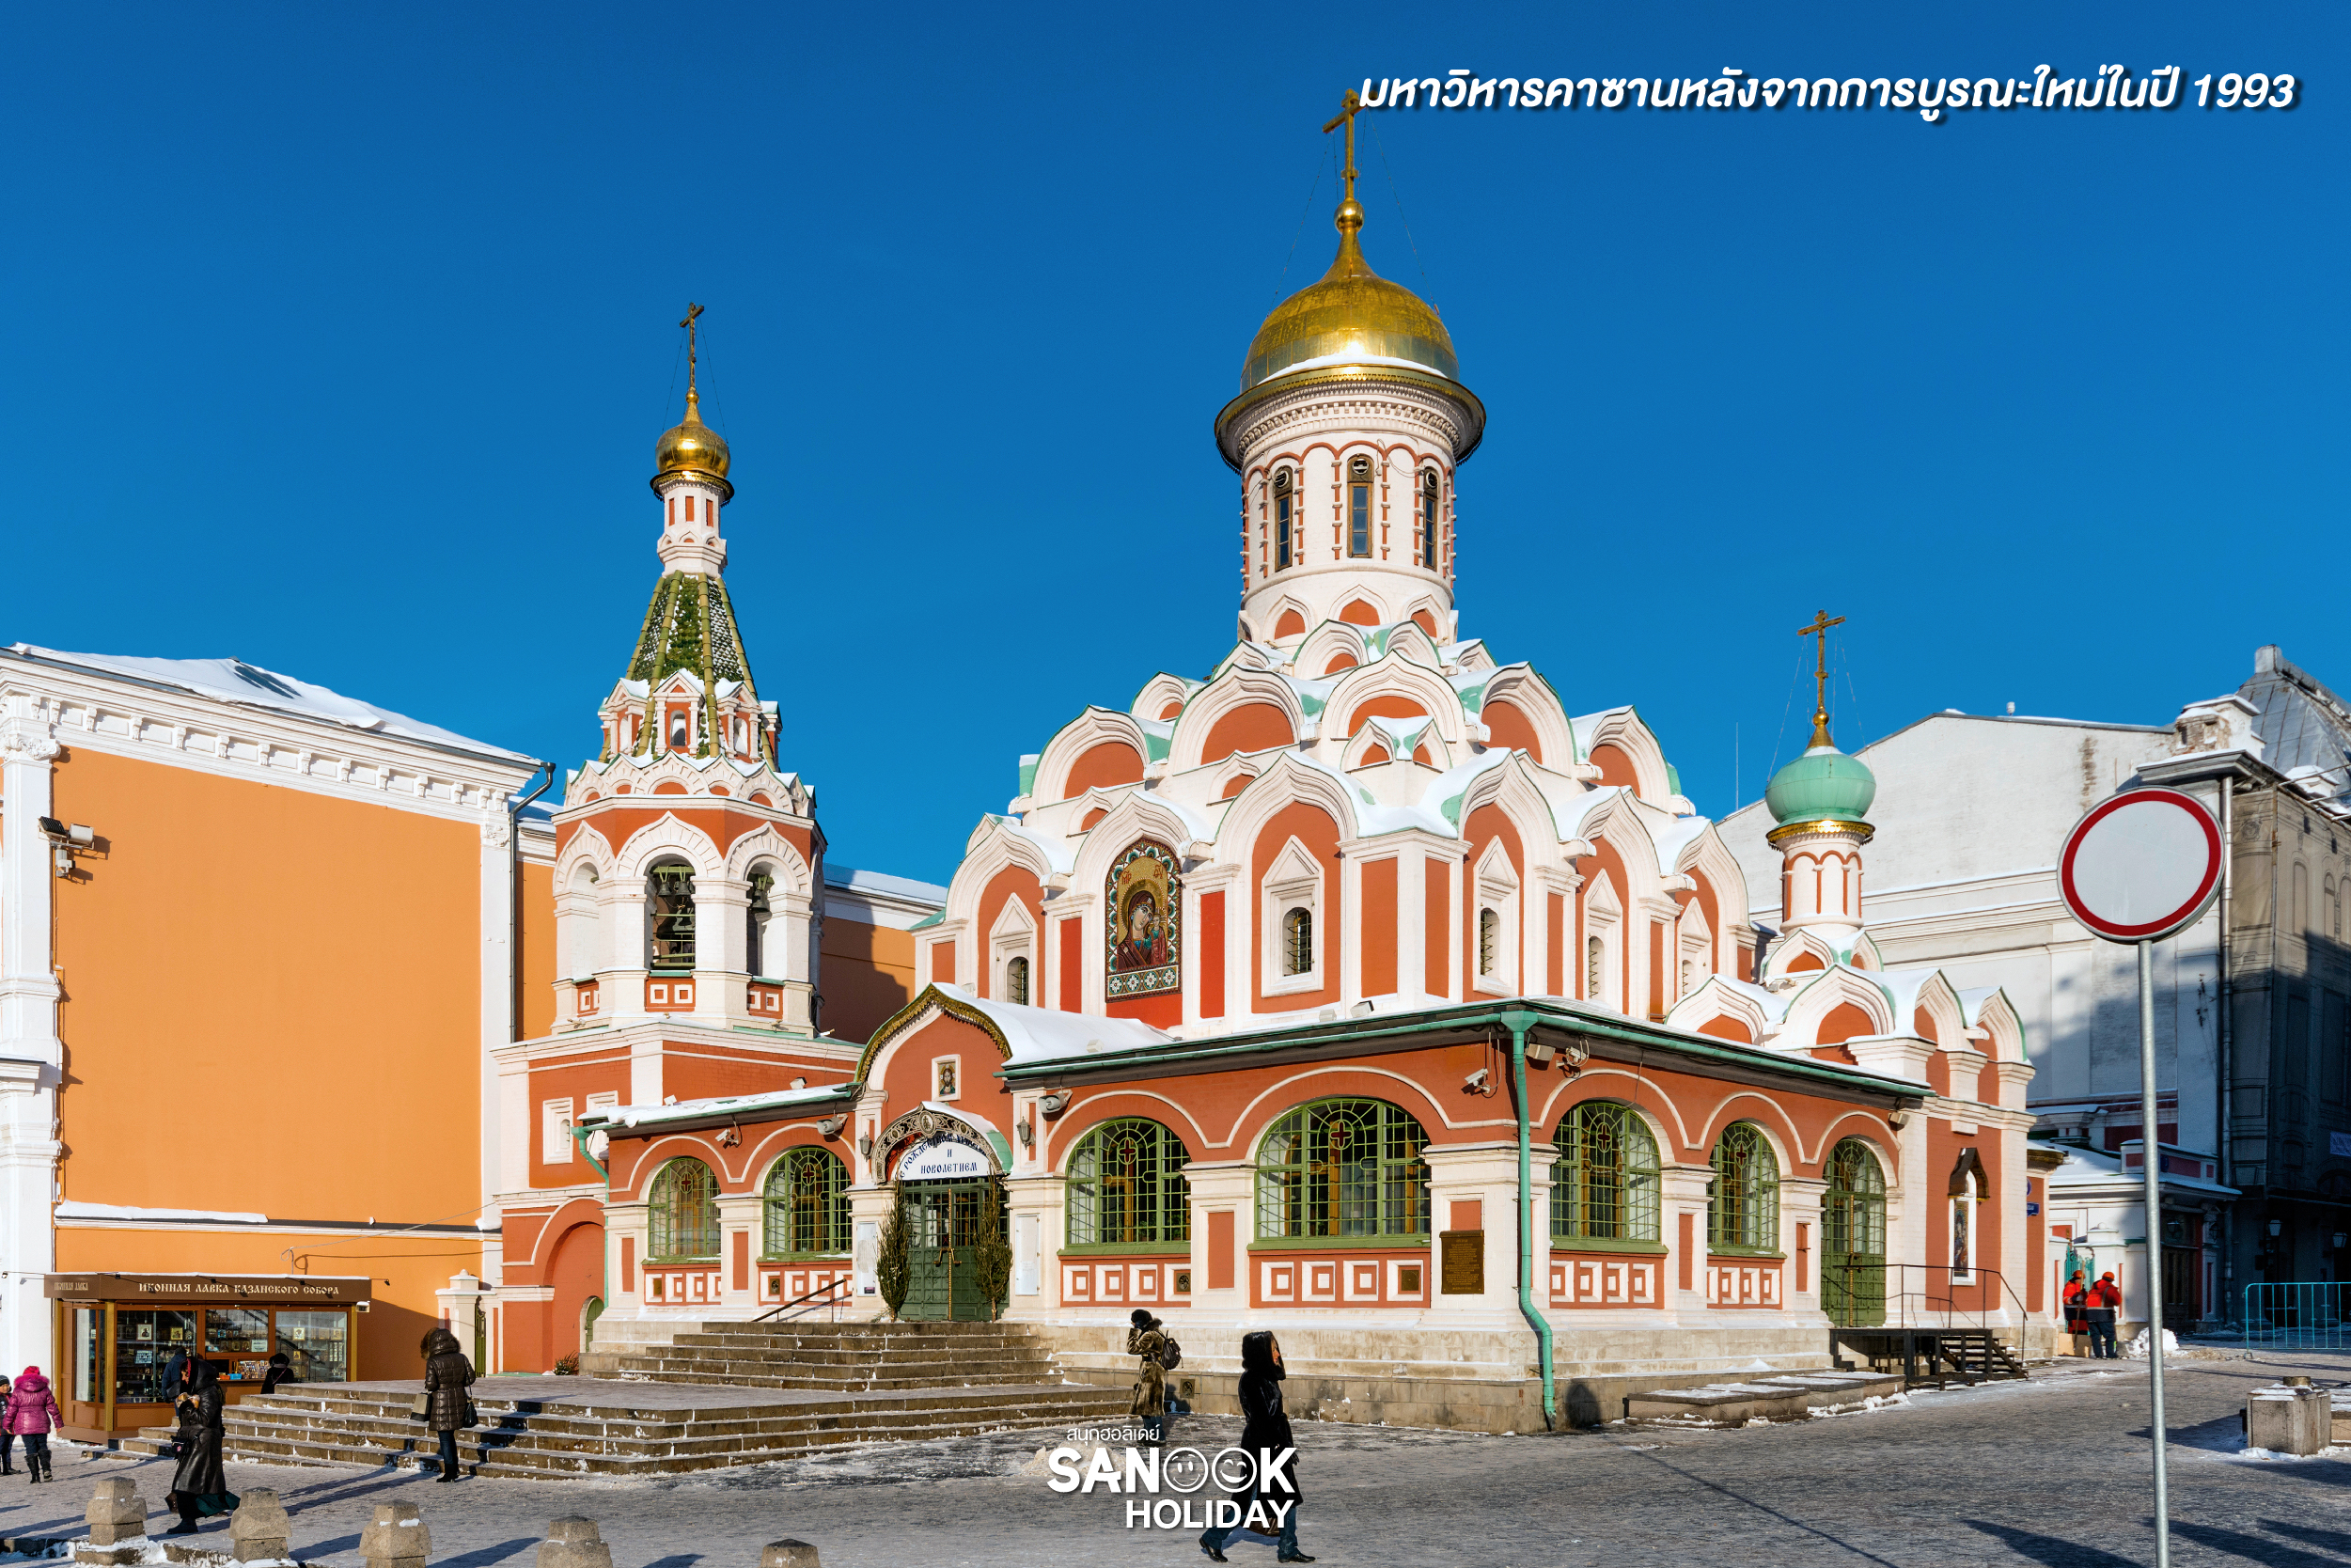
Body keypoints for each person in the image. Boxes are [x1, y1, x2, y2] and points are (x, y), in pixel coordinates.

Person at [1199, 1331, 1312, 1564]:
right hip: (1261, 1447)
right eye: (1272, 1349)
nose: (1278, 1353)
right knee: (1247, 1500)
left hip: (1275, 1444)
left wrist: (1283, 1444)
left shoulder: (1267, 1377)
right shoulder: (1251, 1379)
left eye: (1276, 1348)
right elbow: (1261, 1419)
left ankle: (1288, 1547)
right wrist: (1280, 1444)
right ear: (1259, 1352)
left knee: (1288, 1497)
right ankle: (1213, 1537)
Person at [165, 1359, 235, 1530]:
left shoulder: (209, 1392)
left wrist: (186, 1407)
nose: (183, 1378)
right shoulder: (196, 1390)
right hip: (195, 1441)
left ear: (196, 1374)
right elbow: (169, 1392)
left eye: (186, 1374)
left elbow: (205, 1419)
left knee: (184, 1484)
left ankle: (188, 1522)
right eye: (182, 1374)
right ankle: (188, 1521)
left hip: (203, 1442)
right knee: (194, 1485)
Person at [422, 1326, 475, 1482]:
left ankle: (451, 1472)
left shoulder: (433, 1361)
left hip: (441, 1404)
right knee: (450, 1436)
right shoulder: (461, 1357)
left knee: (445, 1438)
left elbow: (431, 1385)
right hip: (459, 1399)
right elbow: (470, 1379)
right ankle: (454, 1469)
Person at [2, 1370, 52, 1483]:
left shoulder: (18, 1391)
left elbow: (11, 1410)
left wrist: (7, 1424)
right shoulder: (44, 1389)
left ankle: (35, 1477)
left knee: (30, 1449)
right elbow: (52, 1407)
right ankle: (46, 1470)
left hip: (25, 1425)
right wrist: (58, 1423)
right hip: (41, 1422)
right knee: (43, 1446)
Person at [1127, 1309, 1168, 1445]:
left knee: (1153, 1406)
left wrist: (1135, 1331)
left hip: (1153, 1373)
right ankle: (1149, 1434)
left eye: (1134, 1321)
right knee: (1145, 1405)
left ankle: (1159, 1436)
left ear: (1139, 1322)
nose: (1132, 1324)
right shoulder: (1153, 1333)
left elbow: (1132, 1349)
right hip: (1150, 1372)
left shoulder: (1150, 1335)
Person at [2087, 1271, 2124, 1359]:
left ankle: (2098, 1355)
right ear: (2111, 1280)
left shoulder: (2093, 1289)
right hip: (2104, 1315)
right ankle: (2110, 1354)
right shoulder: (2110, 1288)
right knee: (2110, 1336)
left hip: (2090, 1315)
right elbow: (2118, 1301)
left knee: (2095, 1336)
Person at [2062, 1270, 2091, 1353]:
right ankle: (2072, 1350)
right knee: (2074, 1334)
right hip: (2073, 1314)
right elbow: (2065, 1300)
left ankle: (2081, 1351)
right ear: (2076, 1279)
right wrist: (2074, 1299)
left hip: (2082, 1315)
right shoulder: (2070, 1287)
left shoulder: (2082, 1289)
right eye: (2081, 1279)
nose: (2082, 1281)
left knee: (2083, 1333)